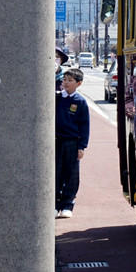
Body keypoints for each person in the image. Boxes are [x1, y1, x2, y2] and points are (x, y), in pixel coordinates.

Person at [55, 67, 90, 219]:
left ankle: (67, 204)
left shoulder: (80, 102)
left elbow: (84, 125)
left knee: (71, 173)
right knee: (56, 172)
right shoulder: (56, 98)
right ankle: (55, 205)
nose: (66, 83)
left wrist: (82, 146)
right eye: (64, 80)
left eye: (70, 80)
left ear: (79, 83)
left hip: (72, 142)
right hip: (56, 140)